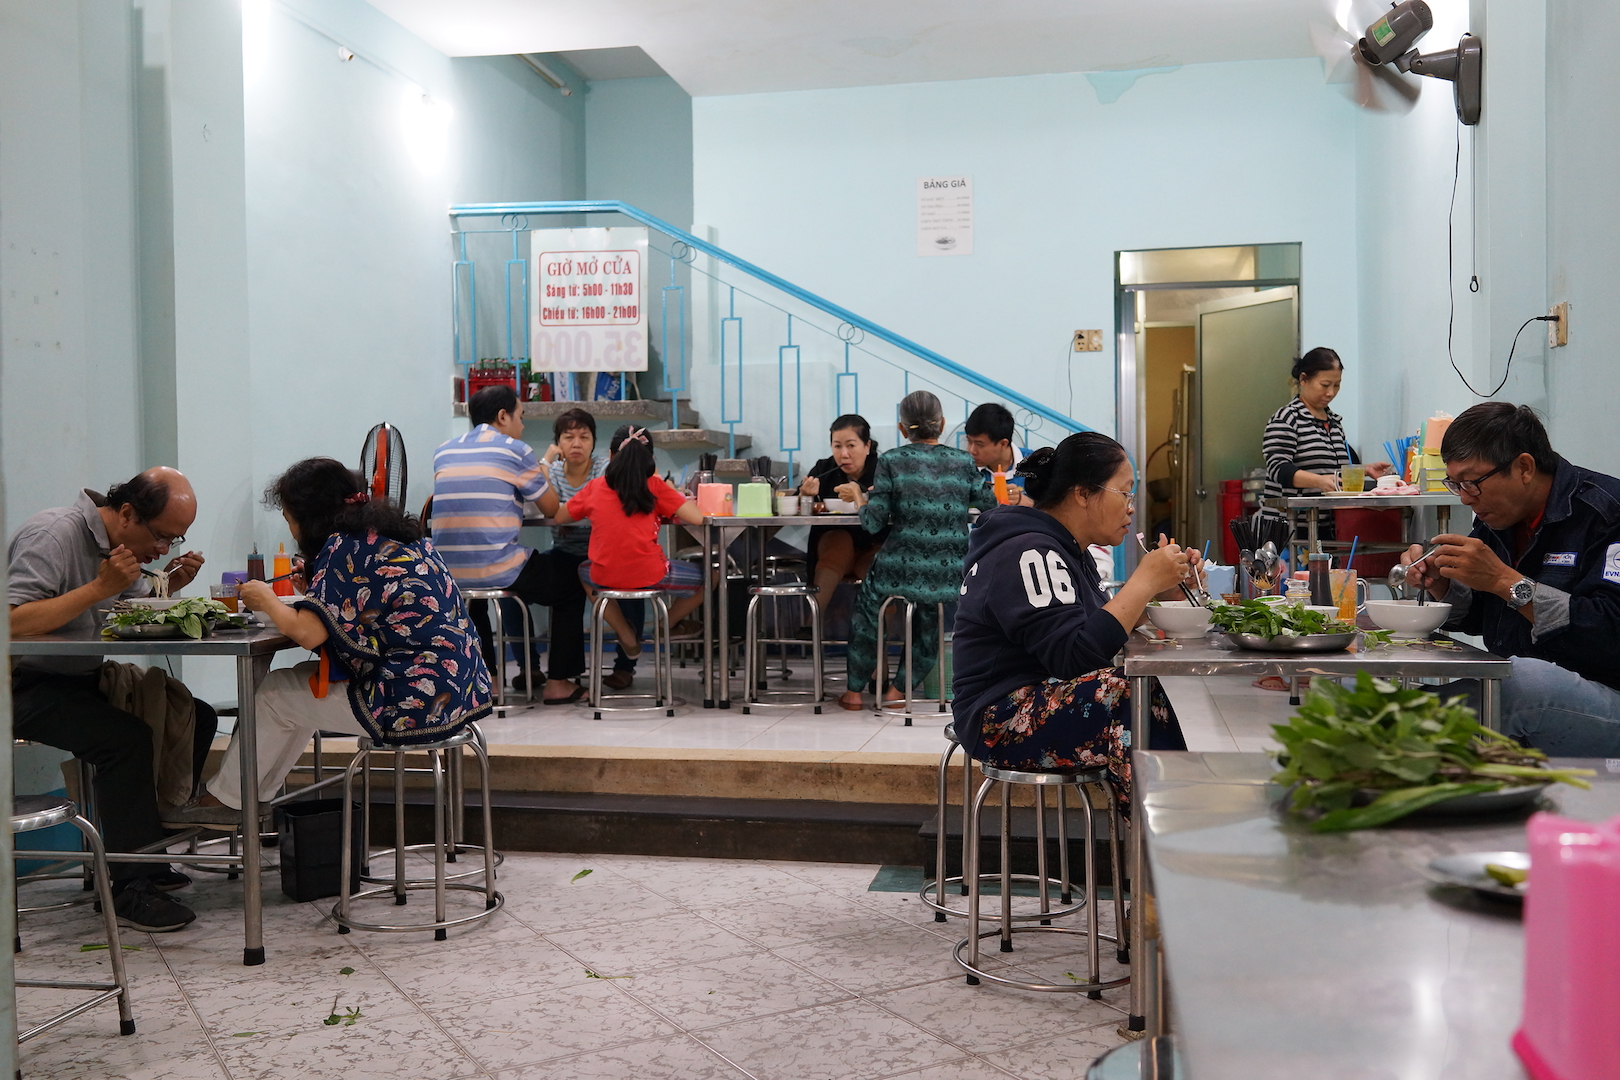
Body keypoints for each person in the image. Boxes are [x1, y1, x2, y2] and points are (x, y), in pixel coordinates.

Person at [165, 458, 493, 826]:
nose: (291, 530)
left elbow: (309, 632)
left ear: (311, 518)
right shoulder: (396, 538)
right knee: (297, 689)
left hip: (412, 702)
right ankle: (245, 797)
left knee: (275, 694)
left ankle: (226, 801)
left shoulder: (345, 547)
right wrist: (318, 591)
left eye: (290, 520)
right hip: (462, 689)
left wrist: (266, 599)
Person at [8, 468, 216, 932]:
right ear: (126, 513)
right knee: (125, 740)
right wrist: (98, 589)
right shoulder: (52, 535)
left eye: (175, 542)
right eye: (162, 537)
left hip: (81, 679)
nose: (162, 550)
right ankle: (128, 888)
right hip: (23, 684)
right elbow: (12, 622)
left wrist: (171, 583)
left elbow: (134, 603)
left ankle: (147, 852)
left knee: (195, 716)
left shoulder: (116, 550)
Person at [952, 433, 1196, 810]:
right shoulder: (1030, 551)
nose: (1131, 507)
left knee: (1139, 693)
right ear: (1083, 493)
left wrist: (1165, 593)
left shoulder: (1065, 549)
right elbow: (1074, 656)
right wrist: (1143, 581)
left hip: (1039, 697)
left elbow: (1093, 631)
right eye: (1124, 492)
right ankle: (1170, 843)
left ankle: (1166, 840)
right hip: (999, 717)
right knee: (1128, 697)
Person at [1398, 403, 1620, 756]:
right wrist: (1446, 586)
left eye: (1473, 483)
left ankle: (1380, 734)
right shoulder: (1494, 521)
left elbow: (1610, 633)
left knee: (1525, 683)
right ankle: (1380, 730)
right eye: (1455, 484)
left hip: (1607, 697)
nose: (1467, 499)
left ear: (1524, 467)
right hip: (1528, 692)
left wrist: (1506, 581)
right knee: (1504, 681)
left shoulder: (1606, 513)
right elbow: (1481, 617)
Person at [837, 391, 990, 711]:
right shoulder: (963, 461)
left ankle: (853, 693)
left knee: (867, 611)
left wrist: (859, 499)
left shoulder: (892, 460)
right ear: (943, 424)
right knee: (929, 618)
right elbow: (988, 505)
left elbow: (874, 524)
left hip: (898, 565)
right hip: (949, 568)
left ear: (903, 428)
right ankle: (897, 692)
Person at [431, 385, 573, 700]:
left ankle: (489, 681)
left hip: (448, 574)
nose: (522, 426)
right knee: (571, 578)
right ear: (502, 416)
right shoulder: (514, 449)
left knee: (475, 596)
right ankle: (559, 682)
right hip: (497, 569)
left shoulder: (444, 450)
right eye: (520, 417)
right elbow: (551, 508)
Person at [554, 426, 706, 657]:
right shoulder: (655, 487)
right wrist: (668, 488)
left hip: (604, 576)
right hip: (651, 574)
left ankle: (626, 634)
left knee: (584, 570)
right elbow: (697, 517)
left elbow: (559, 517)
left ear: (611, 457)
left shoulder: (595, 487)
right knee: (714, 575)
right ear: (651, 460)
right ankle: (665, 625)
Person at [1261, 347, 1393, 537]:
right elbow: (1278, 469)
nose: (1331, 392)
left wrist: (1365, 469)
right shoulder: (1287, 418)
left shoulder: (1334, 423)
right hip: (1290, 529)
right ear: (1304, 380)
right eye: (1325, 385)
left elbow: (1333, 470)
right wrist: (1320, 481)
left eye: (1337, 385)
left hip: (1326, 526)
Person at [799, 415, 885, 611]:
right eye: (837, 446)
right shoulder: (824, 469)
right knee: (839, 540)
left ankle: (880, 638)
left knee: (878, 564)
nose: (844, 454)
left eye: (851, 445)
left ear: (867, 446)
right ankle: (811, 625)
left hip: (874, 544)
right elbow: (798, 504)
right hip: (833, 548)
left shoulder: (883, 471)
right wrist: (806, 495)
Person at [963, 402, 1027, 485]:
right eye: (969, 441)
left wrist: (1021, 498)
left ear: (1003, 444)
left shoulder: (1038, 467)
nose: (971, 451)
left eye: (979, 444)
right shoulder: (963, 471)